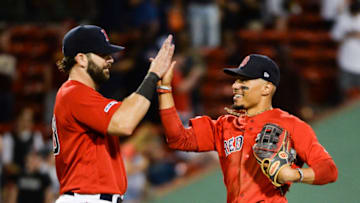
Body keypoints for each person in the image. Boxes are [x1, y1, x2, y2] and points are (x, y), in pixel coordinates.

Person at [157, 54, 338, 202]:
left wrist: (294, 174)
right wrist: (165, 88)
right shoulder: (224, 125)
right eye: (236, 80)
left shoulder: (291, 125)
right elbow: (178, 138)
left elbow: (329, 170)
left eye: (245, 80)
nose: (236, 85)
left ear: (266, 88)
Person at [52, 25, 175, 203]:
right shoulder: (73, 93)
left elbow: (126, 111)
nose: (110, 59)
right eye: (103, 54)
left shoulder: (80, 96)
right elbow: (124, 123)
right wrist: (153, 74)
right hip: (87, 198)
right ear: (81, 59)